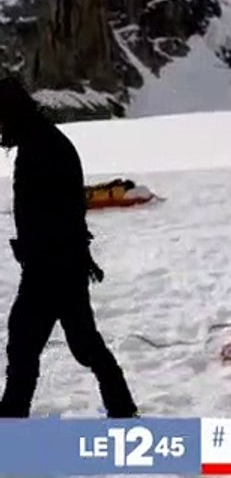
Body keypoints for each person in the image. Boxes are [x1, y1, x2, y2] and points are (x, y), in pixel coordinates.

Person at [0, 75, 138, 418]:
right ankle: (121, 408)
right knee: (80, 342)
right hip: (60, 262)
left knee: (27, 341)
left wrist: (40, 253)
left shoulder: (43, 147)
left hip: (53, 265)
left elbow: (60, 211)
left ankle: (12, 417)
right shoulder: (40, 141)